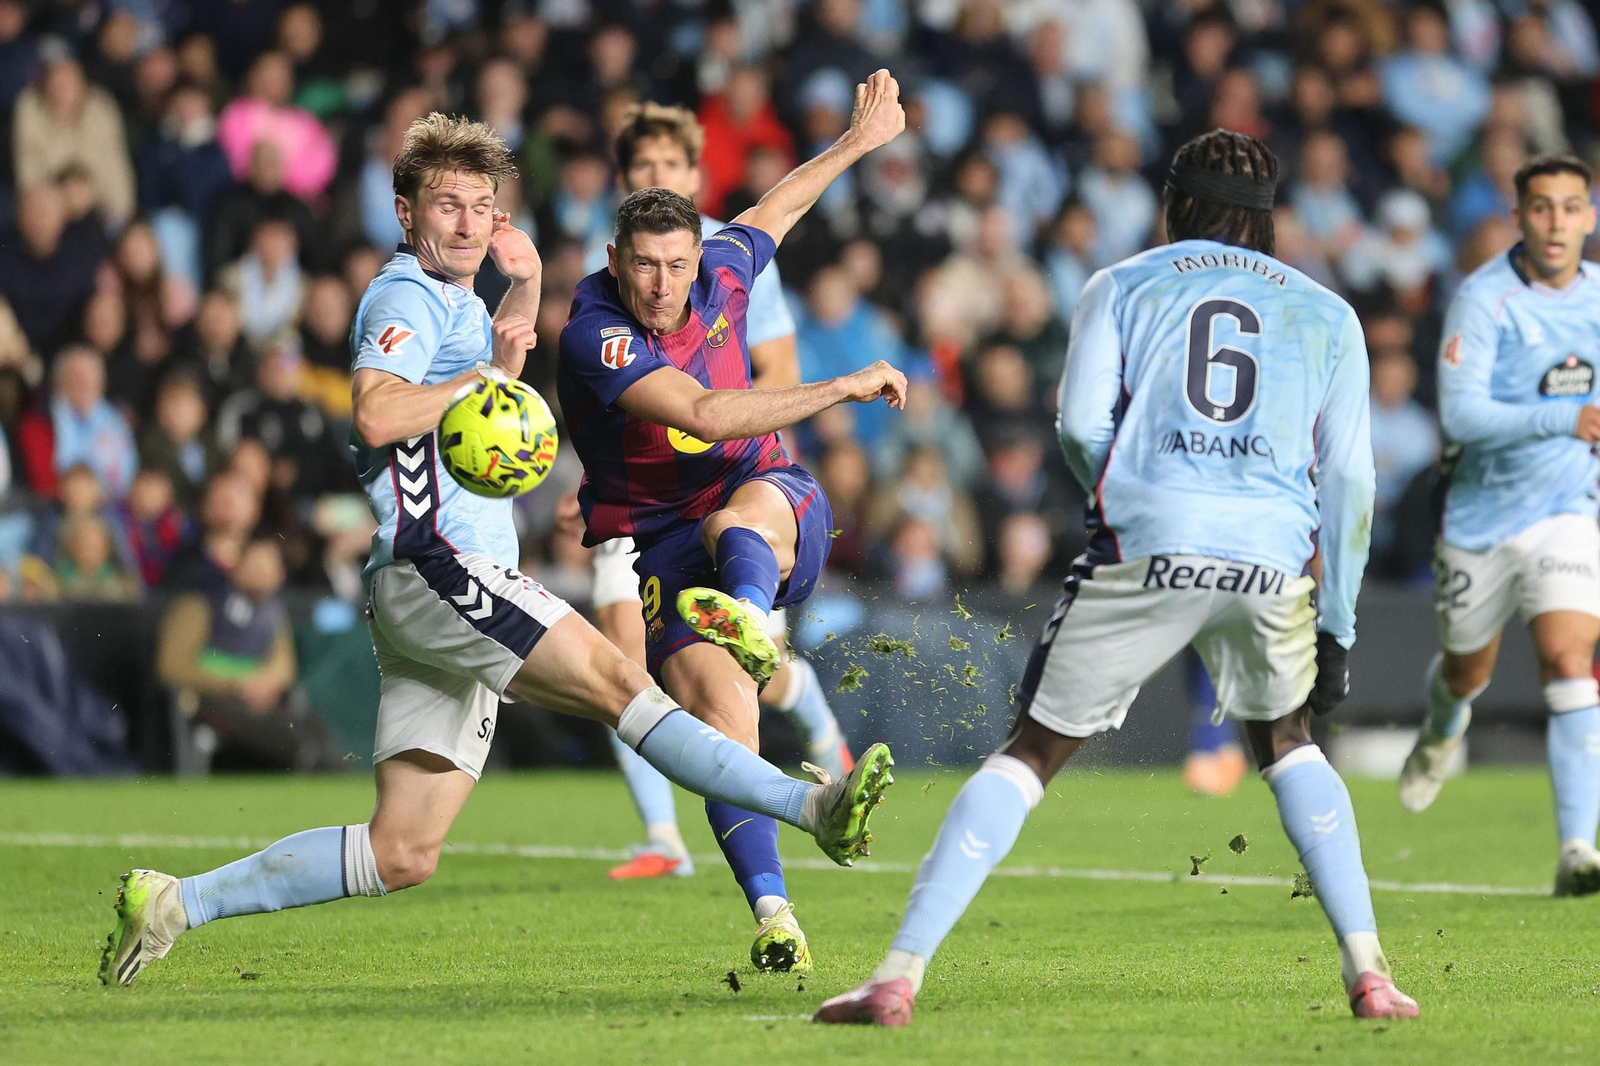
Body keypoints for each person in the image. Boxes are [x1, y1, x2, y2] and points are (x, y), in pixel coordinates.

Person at [99, 113, 896, 988]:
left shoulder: (460, 302)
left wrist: (520, 298)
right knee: (623, 685)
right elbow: (377, 409)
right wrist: (480, 375)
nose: (471, 224)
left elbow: (482, 396)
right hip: (441, 569)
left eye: (483, 205)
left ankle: (177, 903)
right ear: (406, 214)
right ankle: (811, 805)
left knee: (399, 850)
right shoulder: (404, 295)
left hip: (429, 585)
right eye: (448, 206)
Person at [816, 129, 1419, 1026]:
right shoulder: (1328, 314)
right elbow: (1352, 483)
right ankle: (1371, 973)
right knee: (1290, 742)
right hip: (1269, 554)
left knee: (1030, 752)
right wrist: (1336, 626)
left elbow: (1077, 424)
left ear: (1172, 207)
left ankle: (896, 978)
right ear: (1267, 224)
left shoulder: (1124, 284)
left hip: (1152, 538)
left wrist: (1123, 495)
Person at [557, 71, 908, 973]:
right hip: (661, 539)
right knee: (722, 731)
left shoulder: (725, 263)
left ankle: (749, 612)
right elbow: (704, 415)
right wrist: (840, 384)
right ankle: (775, 912)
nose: (664, 282)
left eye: (678, 263)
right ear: (614, 257)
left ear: (697, 254)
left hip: (768, 501)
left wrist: (858, 144)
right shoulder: (595, 329)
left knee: (739, 518)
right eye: (645, 264)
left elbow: (778, 206)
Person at [576, 101, 855, 883]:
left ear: (695, 184)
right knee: (624, 664)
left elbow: (768, 374)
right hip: (644, 514)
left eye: (669, 168)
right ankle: (664, 834)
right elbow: (644, 402)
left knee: (747, 671)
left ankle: (803, 703)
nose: (656, 177)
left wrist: (857, 140)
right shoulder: (598, 310)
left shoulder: (732, 267)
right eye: (641, 170)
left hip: (737, 482)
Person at [1398, 155, 1600, 896]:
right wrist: (1564, 416)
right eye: (1541, 208)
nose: (1556, 223)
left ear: (1589, 215)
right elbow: (1461, 415)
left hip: (1566, 513)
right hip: (1480, 519)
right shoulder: (1484, 300)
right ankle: (1444, 723)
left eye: (1570, 207)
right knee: (1466, 671)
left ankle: (1578, 848)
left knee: (1570, 660)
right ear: (1518, 217)